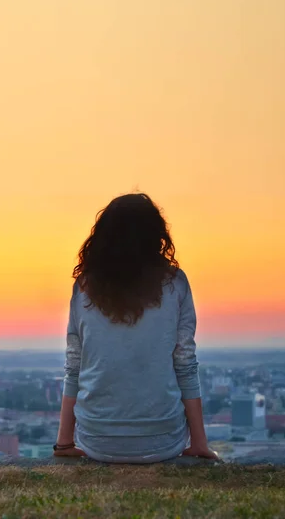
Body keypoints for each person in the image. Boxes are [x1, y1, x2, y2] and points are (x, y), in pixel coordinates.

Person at [54, 193, 218, 463]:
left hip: (96, 439)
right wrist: (198, 443)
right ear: (156, 235)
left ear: (103, 237)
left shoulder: (84, 287)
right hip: (164, 438)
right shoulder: (175, 283)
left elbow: (74, 366)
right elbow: (185, 363)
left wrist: (64, 443)